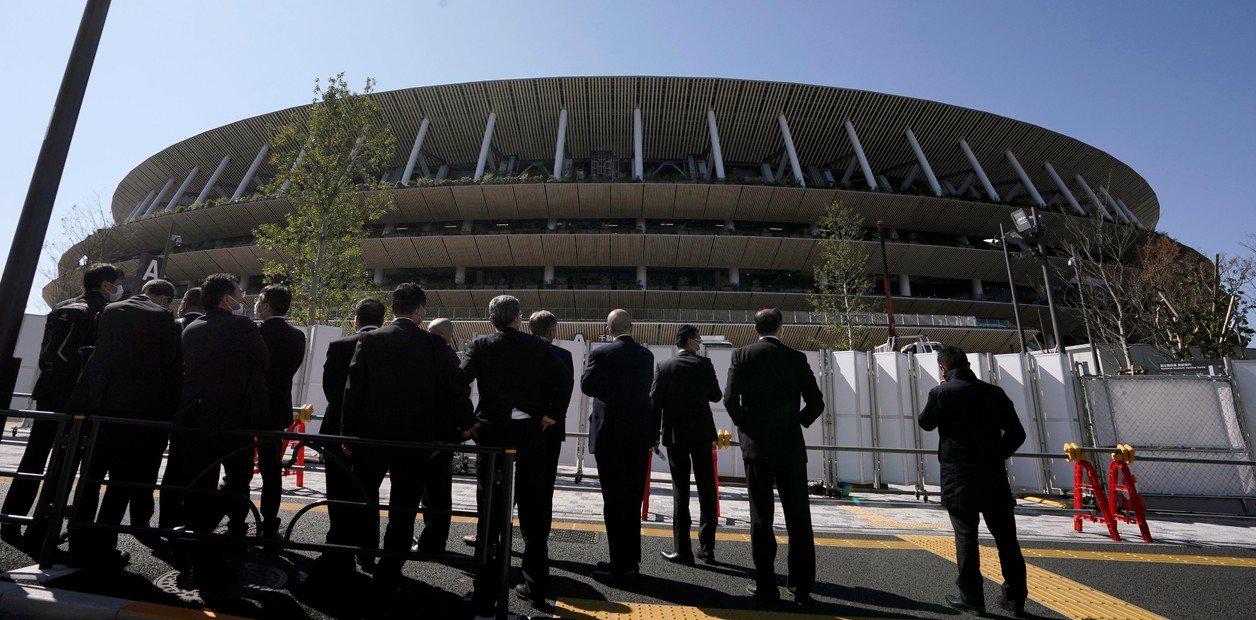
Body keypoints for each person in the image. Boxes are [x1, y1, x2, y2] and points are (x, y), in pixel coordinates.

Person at [341, 284, 471, 594]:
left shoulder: (371, 339)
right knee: (404, 504)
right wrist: (456, 430)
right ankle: (391, 567)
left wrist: (347, 434)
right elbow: (452, 391)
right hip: (416, 440)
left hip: (372, 437)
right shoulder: (435, 345)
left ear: (394, 306)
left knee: (365, 495)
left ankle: (365, 552)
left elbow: (353, 389)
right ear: (420, 311)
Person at [1, 263, 123, 553]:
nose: (118, 289)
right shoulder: (103, 313)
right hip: (77, 399)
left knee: (33, 457)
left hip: (47, 393)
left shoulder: (61, 308)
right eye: (116, 283)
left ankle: (10, 518)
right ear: (106, 285)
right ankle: (44, 524)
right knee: (64, 464)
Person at [461, 296, 572, 609]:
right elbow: (563, 379)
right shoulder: (539, 346)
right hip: (531, 435)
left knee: (490, 511)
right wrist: (553, 415)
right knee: (534, 510)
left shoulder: (481, 345)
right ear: (519, 319)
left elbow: (459, 382)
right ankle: (535, 585)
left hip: (492, 435)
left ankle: (485, 587)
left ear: (491, 320)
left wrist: (468, 421)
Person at [66, 278, 181, 568]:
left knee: (89, 477)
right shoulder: (163, 316)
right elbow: (171, 369)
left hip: (99, 409)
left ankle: (77, 539)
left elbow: (98, 357)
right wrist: (168, 416)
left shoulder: (111, 309)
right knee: (121, 482)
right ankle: (105, 546)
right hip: (138, 414)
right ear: (165, 299)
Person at [919, 346, 1028, 617]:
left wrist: (939, 391)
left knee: (966, 537)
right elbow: (1017, 433)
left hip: (959, 478)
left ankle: (972, 598)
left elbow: (925, 423)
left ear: (943, 368)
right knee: (1006, 539)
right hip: (993, 476)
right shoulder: (994, 393)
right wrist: (996, 454)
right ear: (968, 364)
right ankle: (1015, 599)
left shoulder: (942, 393)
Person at [724, 308, 823, 604]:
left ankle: (765, 584)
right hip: (790, 447)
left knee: (761, 518)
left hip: (757, 448)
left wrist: (746, 426)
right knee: (798, 519)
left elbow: (729, 399)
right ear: (780, 327)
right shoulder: (796, 358)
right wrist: (798, 422)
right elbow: (816, 402)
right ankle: (802, 588)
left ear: (756, 328)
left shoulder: (741, 356)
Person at [177, 273, 269, 585]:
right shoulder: (243, 326)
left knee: (201, 475)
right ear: (224, 298)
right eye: (238, 291)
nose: (242, 296)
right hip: (236, 417)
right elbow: (263, 359)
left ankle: (198, 531)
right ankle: (235, 530)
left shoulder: (192, 328)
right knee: (238, 474)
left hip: (198, 415)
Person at [309, 298, 385, 579]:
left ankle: (338, 547)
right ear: (382, 320)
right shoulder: (385, 347)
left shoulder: (340, 346)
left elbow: (330, 389)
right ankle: (368, 551)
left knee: (337, 490)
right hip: (372, 434)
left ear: (355, 319)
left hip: (337, 430)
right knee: (369, 493)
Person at [581, 309, 654, 585]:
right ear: (632, 327)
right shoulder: (646, 355)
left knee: (612, 501)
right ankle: (630, 561)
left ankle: (617, 563)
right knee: (632, 500)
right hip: (636, 436)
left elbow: (587, 386)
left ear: (608, 328)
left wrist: (608, 391)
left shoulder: (601, 353)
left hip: (609, 434)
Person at [652, 324, 722, 565]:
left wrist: (653, 437)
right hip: (702, 435)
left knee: (680, 491)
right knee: (707, 490)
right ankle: (707, 548)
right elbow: (716, 395)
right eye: (699, 339)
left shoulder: (664, 367)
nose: (700, 343)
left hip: (675, 436)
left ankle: (683, 550)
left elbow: (655, 405)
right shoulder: (704, 365)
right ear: (691, 342)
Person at [253, 284, 307, 538]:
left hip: (248, 407)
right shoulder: (297, 336)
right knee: (271, 468)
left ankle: (236, 519)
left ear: (265, 305)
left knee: (239, 464)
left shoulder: (252, 332)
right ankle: (270, 520)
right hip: (277, 408)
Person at [155, 286, 205, 533]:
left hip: (166, 405)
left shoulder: (173, 326)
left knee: (168, 467)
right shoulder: (210, 329)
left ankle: (163, 521)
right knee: (195, 466)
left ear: (184, 303)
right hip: (197, 408)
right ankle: (190, 521)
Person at [528, 311, 574, 515]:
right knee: (546, 486)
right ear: (552, 331)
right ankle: (540, 539)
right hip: (551, 428)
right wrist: (554, 415)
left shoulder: (521, 352)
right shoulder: (563, 355)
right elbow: (566, 388)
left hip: (523, 425)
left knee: (517, 481)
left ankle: (500, 534)